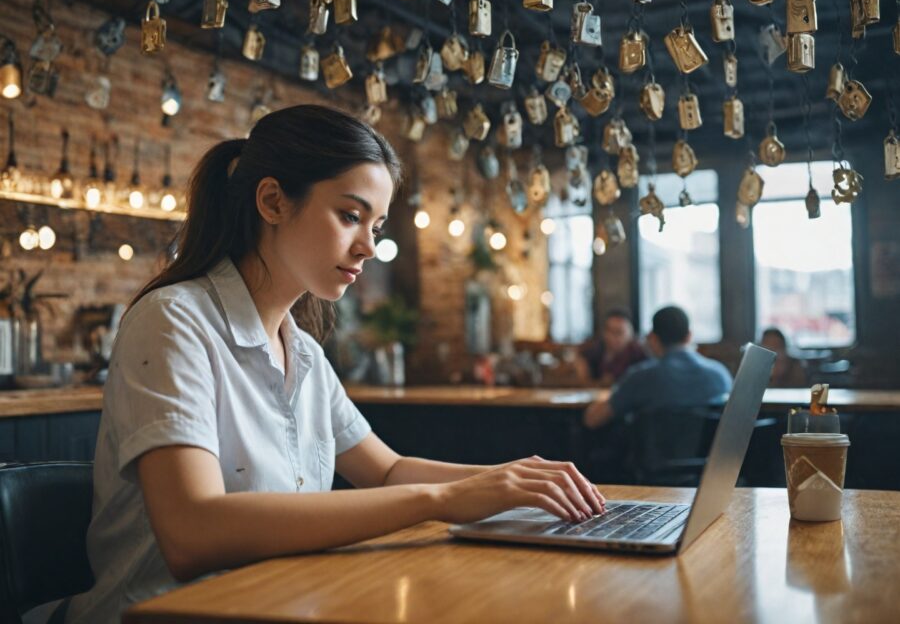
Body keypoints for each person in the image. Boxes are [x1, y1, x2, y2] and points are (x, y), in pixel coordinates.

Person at [64, 106, 605, 624]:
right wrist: (442, 499)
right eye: (351, 216)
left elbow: (386, 469)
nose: (368, 245)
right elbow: (192, 532)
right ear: (273, 201)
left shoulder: (302, 352)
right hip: (162, 613)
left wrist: (514, 482)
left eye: (377, 225)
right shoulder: (174, 321)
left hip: (283, 603)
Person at [582, 306, 732, 429]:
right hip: (706, 463)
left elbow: (592, 420)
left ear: (652, 338)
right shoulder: (720, 375)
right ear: (689, 336)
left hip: (649, 464)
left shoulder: (640, 377)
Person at [577, 309, 648, 387]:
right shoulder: (596, 351)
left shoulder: (639, 356)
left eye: (619, 332)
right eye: (610, 331)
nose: (613, 337)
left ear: (630, 334)